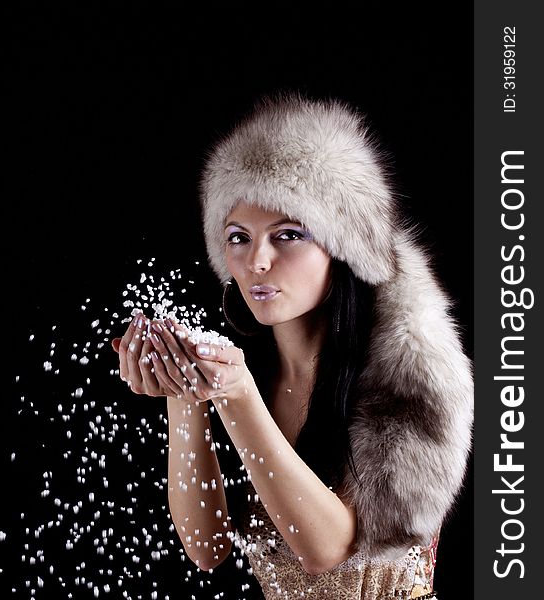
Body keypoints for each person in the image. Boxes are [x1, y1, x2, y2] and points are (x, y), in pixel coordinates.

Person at [112, 95, 473, 599]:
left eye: (288, 235)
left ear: (341, 246)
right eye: (238, 237)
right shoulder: (246, 367)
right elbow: (205, 546)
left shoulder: (410, 374)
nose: (257, 261)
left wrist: (236, 398)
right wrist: (185, 394)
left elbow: (326, 549)